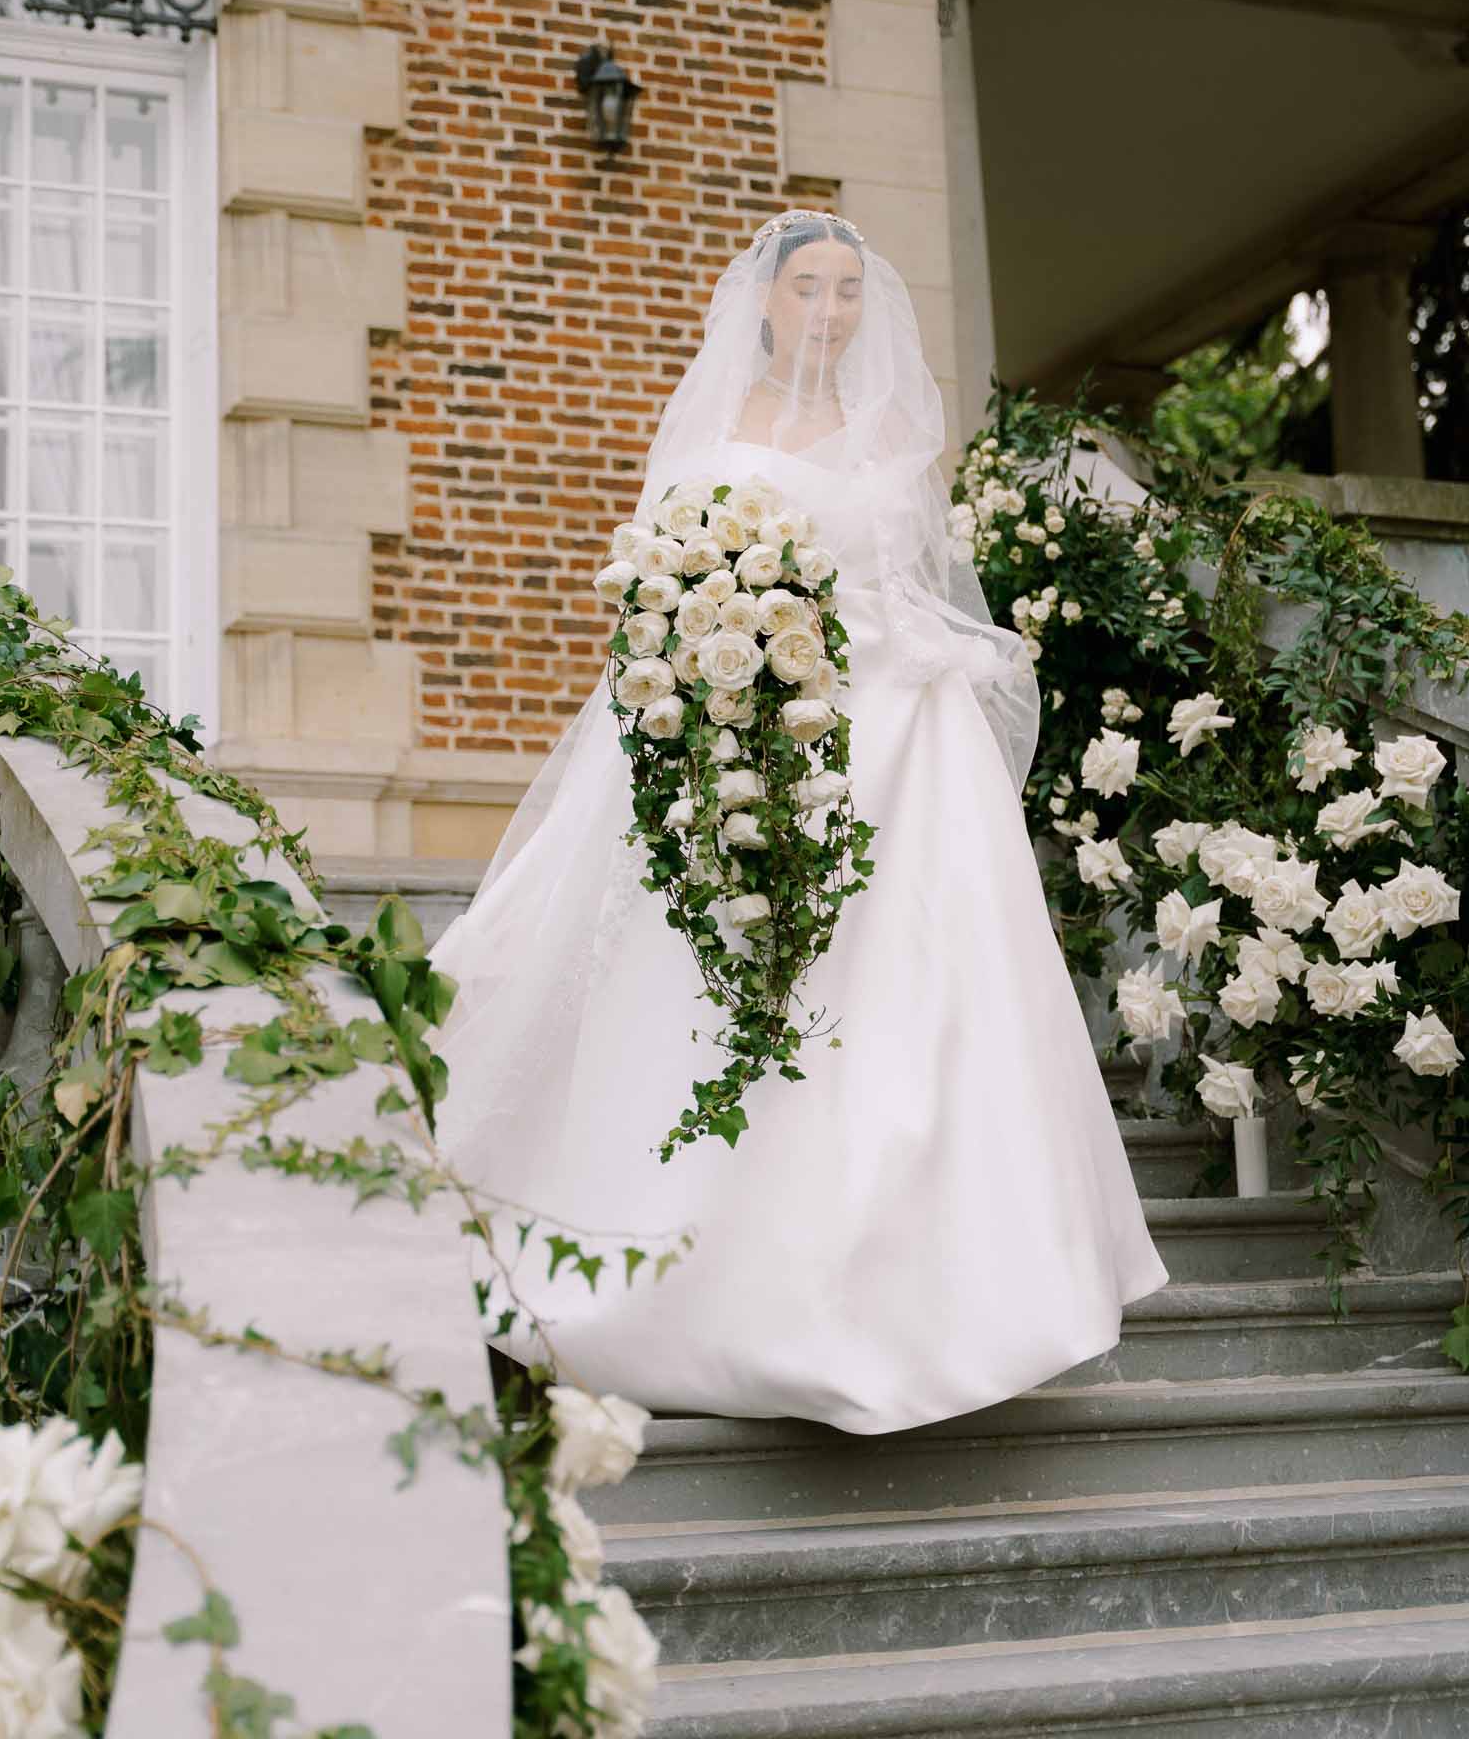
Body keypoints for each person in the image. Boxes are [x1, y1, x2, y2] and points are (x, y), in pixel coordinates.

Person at [427, 210, 1168, 1436]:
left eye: (844, 290)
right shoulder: (716, 425)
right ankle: (693, 1275)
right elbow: (665, 578)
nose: (827, 309)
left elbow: (912, 581)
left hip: (895, 741)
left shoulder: (892, 434)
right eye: (806, 288)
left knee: (924, 1000)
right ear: (763, 303)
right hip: (753, 728)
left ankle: (954, 1291)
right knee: (722, 990)